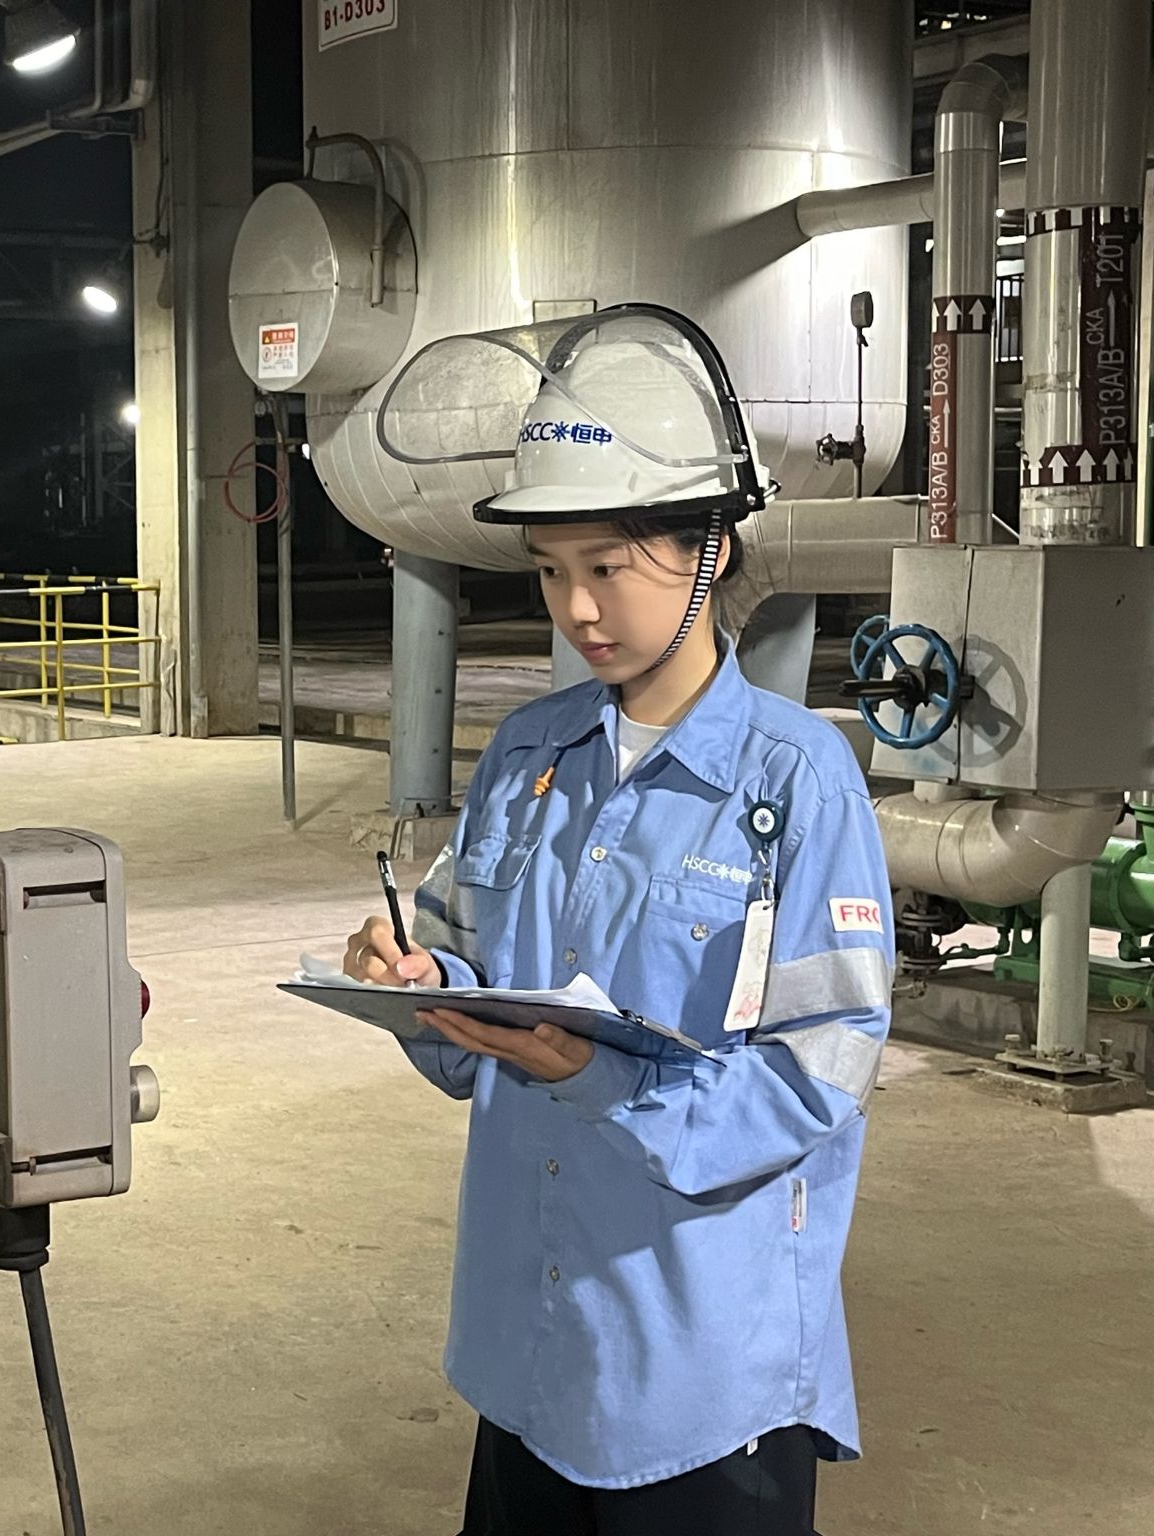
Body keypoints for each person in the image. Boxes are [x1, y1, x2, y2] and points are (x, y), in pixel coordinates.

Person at [345, 309, 893, 1536]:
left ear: (707, 550)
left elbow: (817, 1075)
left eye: (606, 566)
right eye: (551, 570)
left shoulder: (795, 781)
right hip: (529, 1352)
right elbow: (464, 1002)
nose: (576, 608)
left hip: (700, 1372)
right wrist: (415, 983)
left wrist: (597, 1076)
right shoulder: (526, 755)